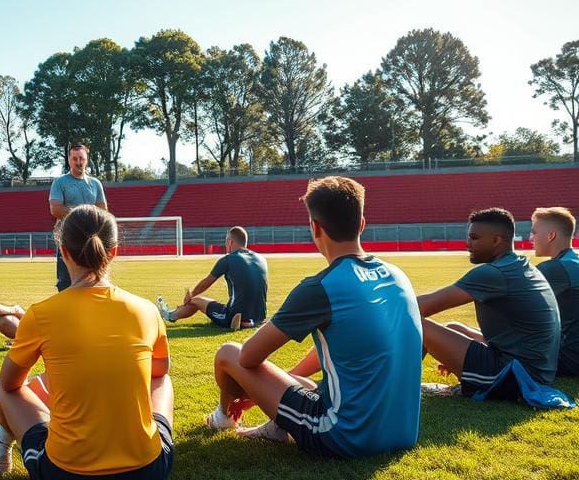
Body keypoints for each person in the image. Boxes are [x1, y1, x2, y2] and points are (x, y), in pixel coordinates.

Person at [206, 176, 422, 458]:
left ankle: (224, 417)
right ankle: (277, 425)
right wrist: (275, 384)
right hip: (403, 432)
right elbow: (351, 341)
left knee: (228, 353)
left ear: (315, 227)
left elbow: (247, 358)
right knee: (305, 382)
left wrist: (255, 387)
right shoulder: (397, 274)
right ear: (362, 224)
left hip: (345, 435)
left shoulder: (321, 287)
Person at [0, 205, 175, 480]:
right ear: (114, 252)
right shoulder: (147, 310)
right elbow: (158, 372)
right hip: (150, 470)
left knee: (7, 390)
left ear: (63, 252)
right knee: (162, 378)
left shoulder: (41, 314)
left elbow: (9, 384)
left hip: (65, 475)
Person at [417, 208, 559, 399]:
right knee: (453, 327)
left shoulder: (493, 273)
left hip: (516, 378)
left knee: (418, 323)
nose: (468, 244)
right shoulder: (518, 264)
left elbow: (420, 307)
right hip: (536, 372)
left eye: (474, 238)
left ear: (496, 240)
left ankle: (395, 384)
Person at [158, 226, 268, 331]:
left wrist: (190, 294)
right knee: (206, 301)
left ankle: (169, 315)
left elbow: (206, 282)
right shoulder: (261, 258)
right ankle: (250, 322)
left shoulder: (228, 259)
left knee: (194, 300)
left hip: (234, 315)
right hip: (260, 316)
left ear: (230, 242)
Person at [48, 142, 108, 291]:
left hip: (91, 239)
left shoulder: (95, 183)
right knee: (65, 281)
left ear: (87, 159)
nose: (78, 162)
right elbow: (56, 210)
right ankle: (66, 313)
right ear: (69, 160)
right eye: (75, 159)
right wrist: (85, 215)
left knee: (93, 278)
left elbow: (103, 210)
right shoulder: (59, 182)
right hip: (68, 238)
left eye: (81, 158)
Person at [531, 207, 579, 376]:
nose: (531, 238)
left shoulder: (554, 269)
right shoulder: (574, 262)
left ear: (551, 235)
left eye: (534, 232)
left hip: (567, 359)